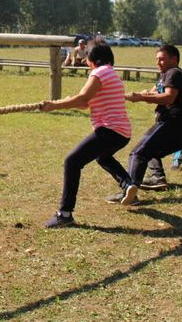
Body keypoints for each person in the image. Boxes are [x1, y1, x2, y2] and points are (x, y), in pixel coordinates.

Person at [40, 43, 135, 227]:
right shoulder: (112, 73)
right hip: (122, 133)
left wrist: (54, 105)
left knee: (72, 161)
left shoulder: (99, 73)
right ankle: (127, 185)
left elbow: (83, 98)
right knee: (103, 157)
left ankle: (65, 214)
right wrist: (65, 101)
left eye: (87, 60)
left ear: (92, 60)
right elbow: (85, 103)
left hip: (109, 130)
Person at [123, 45, 182, 196]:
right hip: (178, 129)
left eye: (162, 59)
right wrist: (139, 94)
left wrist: (142, 97)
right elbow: (154, 93)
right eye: (157, 59)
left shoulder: (174, 73)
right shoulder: (165, 75)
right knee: (149, 149)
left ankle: (129, 190)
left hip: (172, 124)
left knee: (138, 153)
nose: (158, 62)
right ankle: (157, 177)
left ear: (174, 59)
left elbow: (168, 97)